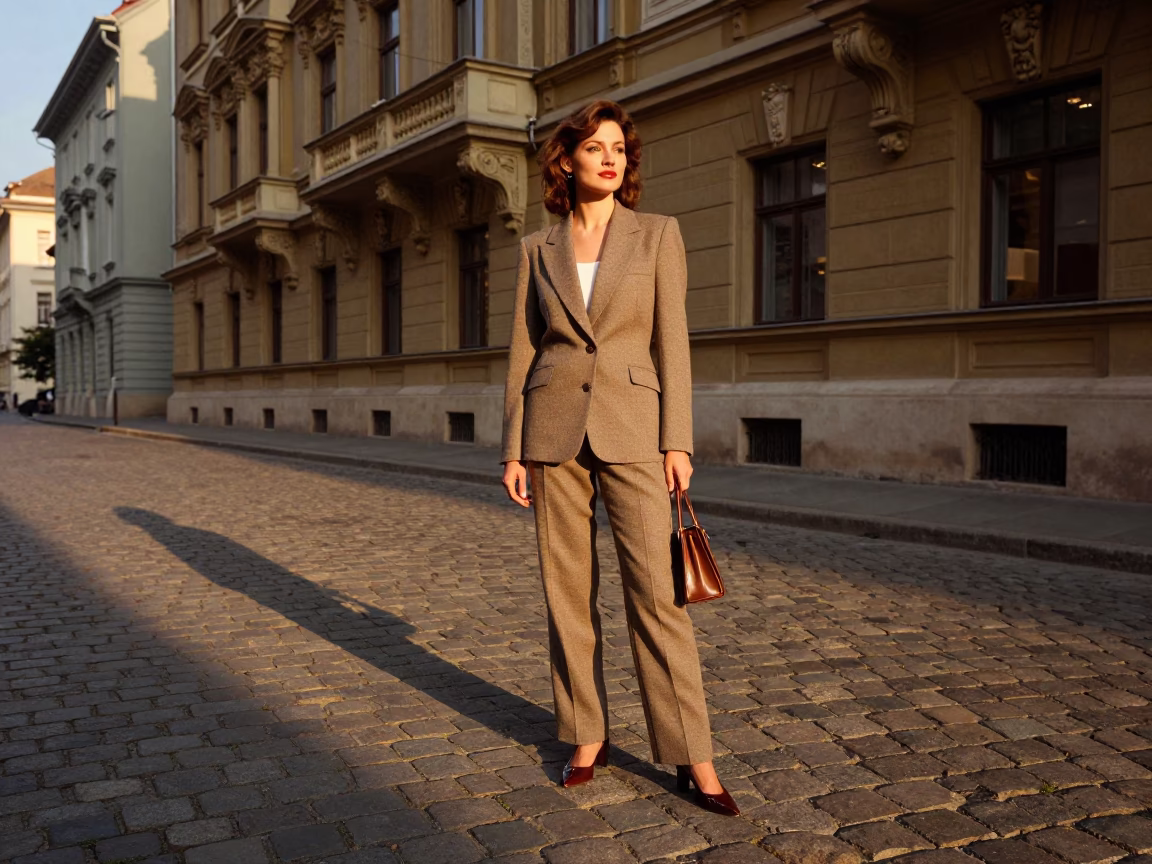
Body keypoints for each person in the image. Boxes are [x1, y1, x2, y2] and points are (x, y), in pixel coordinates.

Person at [500, 100, 738, 817]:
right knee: (566, 595)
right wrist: (513, 447)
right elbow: (523, 351)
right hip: (552, 433)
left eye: (620, 149)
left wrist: (678, 439)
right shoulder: (536, 249)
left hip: (634, 426)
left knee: (658, 598)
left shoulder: (657, 235)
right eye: (596, 147)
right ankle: (584, 736)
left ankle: (695, 756)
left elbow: (675, 342)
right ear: (565, 160)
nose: (611, 158)